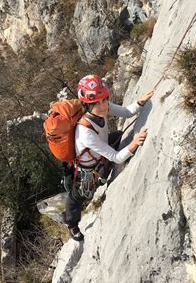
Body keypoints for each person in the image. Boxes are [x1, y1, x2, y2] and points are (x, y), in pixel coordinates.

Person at [65, 74, 154, 242]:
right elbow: (116, 157)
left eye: (105, 99)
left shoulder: (100, 107)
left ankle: (103, 175)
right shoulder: (85, 133)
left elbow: (127, 112)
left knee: (120, 135)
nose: (104, 105)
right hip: (87, 167)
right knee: (79, 196)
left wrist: (141, 101)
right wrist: (134, 144)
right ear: (88, 104)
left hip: (100, 149)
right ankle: (71, 224)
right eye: (99, 102)